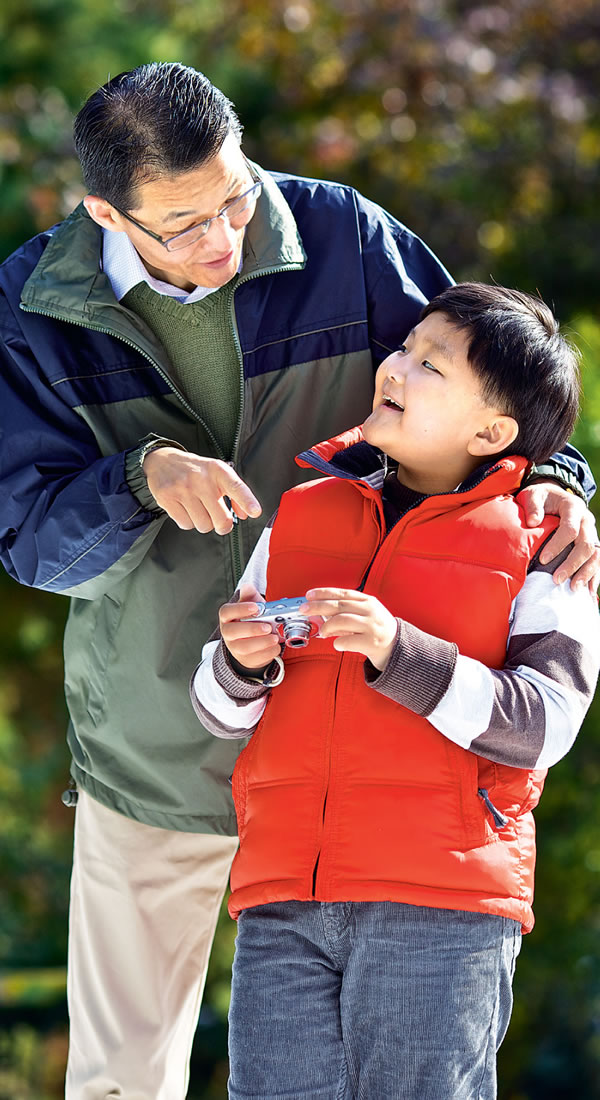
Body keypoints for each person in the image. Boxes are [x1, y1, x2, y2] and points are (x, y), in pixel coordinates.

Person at [0, 61, 596, 1097]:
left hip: (371, 768)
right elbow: (30, 540)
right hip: (160, 748)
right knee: (119, 1081)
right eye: (184, 222)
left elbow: (487, 387)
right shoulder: (32, 307)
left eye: (236, 196)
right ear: (105, 208)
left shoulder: (342, 235)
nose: (225, 238)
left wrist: (559, 484)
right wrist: (139, 475)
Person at [192, 283, 600, 1100]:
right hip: (284, 900)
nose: (397, 366)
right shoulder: (303, 515)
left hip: (440, 904)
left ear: (492, 430)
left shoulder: (545, 546)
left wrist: (397, 650)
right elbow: (217, 709)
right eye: (405, 348)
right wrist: (239, 663)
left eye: (430, 364)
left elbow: (541, 725)